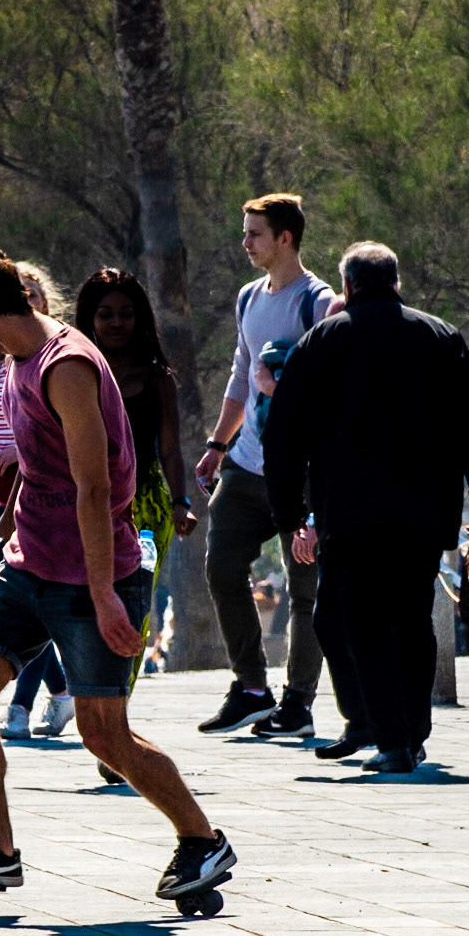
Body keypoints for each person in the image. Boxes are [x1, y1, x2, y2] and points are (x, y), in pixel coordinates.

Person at [0, 243, 235, 905]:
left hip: (95, 572)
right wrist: (8, 514)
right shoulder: (12, 356)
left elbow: (95, 489)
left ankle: (201, 837)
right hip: (29, 563)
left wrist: (104, 596)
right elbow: (43, 459)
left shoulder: (65, 365)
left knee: (103, 730)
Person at [263, 241, 469, 774]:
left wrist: (289, 516)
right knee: (413, 619)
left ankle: (393, 740)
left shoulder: (321, 341)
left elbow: (283, 437)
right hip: (423, 512)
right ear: (397, 283)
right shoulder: (439, 336)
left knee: (365, 624)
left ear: (347, 286)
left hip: (350, 515)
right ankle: (409, 733)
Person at [195, 193, 334, 738]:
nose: (245, 242)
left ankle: (297, 704)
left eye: (255, 233)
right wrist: (218, 443)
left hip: (301, 473)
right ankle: (252, 688)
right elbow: (240, 374)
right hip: (247, 464)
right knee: (222, 567)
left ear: (286, 239)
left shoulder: (319, 304)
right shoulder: (249, 297)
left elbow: (333, 388)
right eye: (244, 231)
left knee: (306, 590)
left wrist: (286, 388)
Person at [75, 267, 198, 782]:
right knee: (84, 612)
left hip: (142, 506)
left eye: (126, 313)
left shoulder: (157, 377)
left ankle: (115, 732)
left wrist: (180, 501)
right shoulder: (73, 368)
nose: (116, 323)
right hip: (82, 499)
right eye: (105, 314)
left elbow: (170, 448)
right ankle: (96, 720)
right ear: (89, 318)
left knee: (131, 615)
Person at [0, 262, 73, 743]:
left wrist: (17, 452)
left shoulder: (57, 357)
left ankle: (22, 706)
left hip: (37, 487)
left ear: (44, 303)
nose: (25, 301)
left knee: (31, 594)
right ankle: (62, 690)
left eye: (33, 294)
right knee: (12, 586)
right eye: (18, 293)